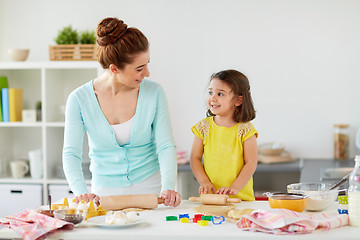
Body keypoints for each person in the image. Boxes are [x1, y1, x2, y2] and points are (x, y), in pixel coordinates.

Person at [62, 17, 181, 207]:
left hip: (150, 190)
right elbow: (71, 153)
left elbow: (166, 145)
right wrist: (81, 192)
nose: (147, 73)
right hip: (103, 194)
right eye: (140, 68)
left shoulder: (154, 93)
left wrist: (168, 186)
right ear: (114, 68)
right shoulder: (79, 99)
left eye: (147, 64)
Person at [190, 69, 258, 201]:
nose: (213, 98)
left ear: (238, 100)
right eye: (210, 92)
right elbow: (195, 158)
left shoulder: (246, 129)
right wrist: (204, 181)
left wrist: (235, 187)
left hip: (239, 199)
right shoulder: (203, 128)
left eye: (220, 94)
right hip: (211, 199)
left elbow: (251, 163)